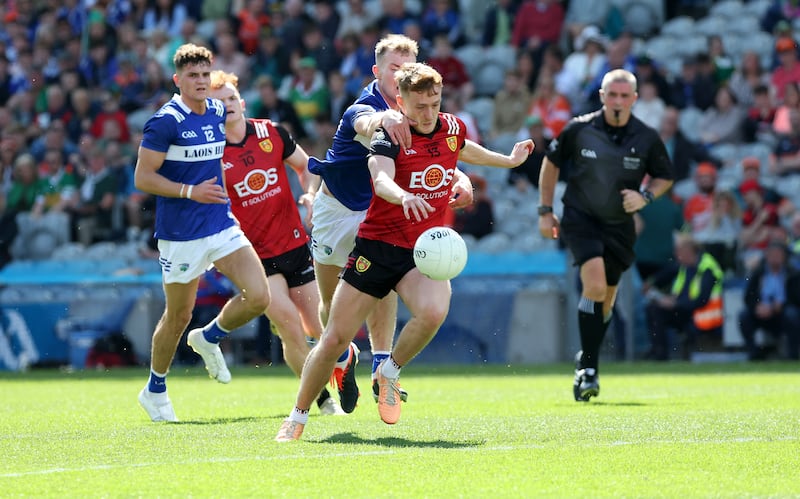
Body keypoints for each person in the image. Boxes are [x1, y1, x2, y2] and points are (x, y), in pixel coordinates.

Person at [276, 61, 534, 441]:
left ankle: (390, 371)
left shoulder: (450, 126)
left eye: (434, 103)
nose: (428, 113)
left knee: (432, 311)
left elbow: (463, 148)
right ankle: (297, 417)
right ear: (401, 102)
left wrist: (507, 160)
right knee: (333, 339)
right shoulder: (389, 136)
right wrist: (404, 195)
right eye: (419, 106)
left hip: (421, 251)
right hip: (377, 248)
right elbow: (380, 179)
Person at [306, 34, 474, 409]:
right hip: (338, 211)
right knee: (333, 305)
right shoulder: (365, 105)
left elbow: (439, 155)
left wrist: (460, 179)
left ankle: (382, 367)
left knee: (384, 285)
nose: (399, 73)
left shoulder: (420, 105)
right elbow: (366, 123)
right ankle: (342, 355)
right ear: (377, 71)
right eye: (392, 68)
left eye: (406, 66)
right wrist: (387, 117)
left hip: (381, 210)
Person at [134, 44, 271, 423]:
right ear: (177, 80)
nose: (199, 81)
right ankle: (155, 388)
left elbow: (215, 162)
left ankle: (208, 337)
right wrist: (190, 191)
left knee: (259, 296)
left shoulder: (215, 110)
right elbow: (142, 177)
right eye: (192, 76)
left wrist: (221, 198)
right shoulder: (164, 121)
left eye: (204, 75)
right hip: (180, 235)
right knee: (178, 315)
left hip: (219, 224)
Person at [208, 69, 347, 416]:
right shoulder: (210, 153)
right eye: (217, 103)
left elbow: (306, 167)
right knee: (288, 324)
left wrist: (310, 195)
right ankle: (321, 400)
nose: (225, 106)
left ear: (240, 102)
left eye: (229, 99)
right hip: (254, 255)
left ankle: (337, 379)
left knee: (319, 326)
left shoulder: (270, 132)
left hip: (294, 246)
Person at [537, 69, 674, 401]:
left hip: (619, 225)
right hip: (580, 219)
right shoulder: (578, 129)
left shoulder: (646, 136)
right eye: (612, 95)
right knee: (594, 286)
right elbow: (550, 163)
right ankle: (590, 369)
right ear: (601, 96)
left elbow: (664, 176)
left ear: (635, 99)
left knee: (606, 303)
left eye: (624, 96)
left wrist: (645, 196)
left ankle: (585, 359)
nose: (617, 101)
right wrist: (545, 210)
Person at [643, 234, 725, 361]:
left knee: (660, 310)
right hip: (686, 310)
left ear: (688, 251)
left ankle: (663, 354)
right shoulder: (685, 266)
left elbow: (701, 300)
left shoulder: (708, 267)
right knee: (653, 309)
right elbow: (667, 273)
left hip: (704, 315)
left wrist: (675, 304)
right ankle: (658, 352)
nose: (676, 254)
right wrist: (651, 283)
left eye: (678, 251)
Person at [738, 240, 800, 360]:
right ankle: (754, 352)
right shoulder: (758, 273)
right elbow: (748, 297)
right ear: (766, 256)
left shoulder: (793, 274)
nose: (775, 258)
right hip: (762, 311)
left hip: (783, 311)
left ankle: (793, 354)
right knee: (744, 316)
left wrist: (780, 306)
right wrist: (757, 306)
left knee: (792, 314)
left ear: (784, 256)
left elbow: (797, 298)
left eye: (778, 254)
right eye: (772, 254)